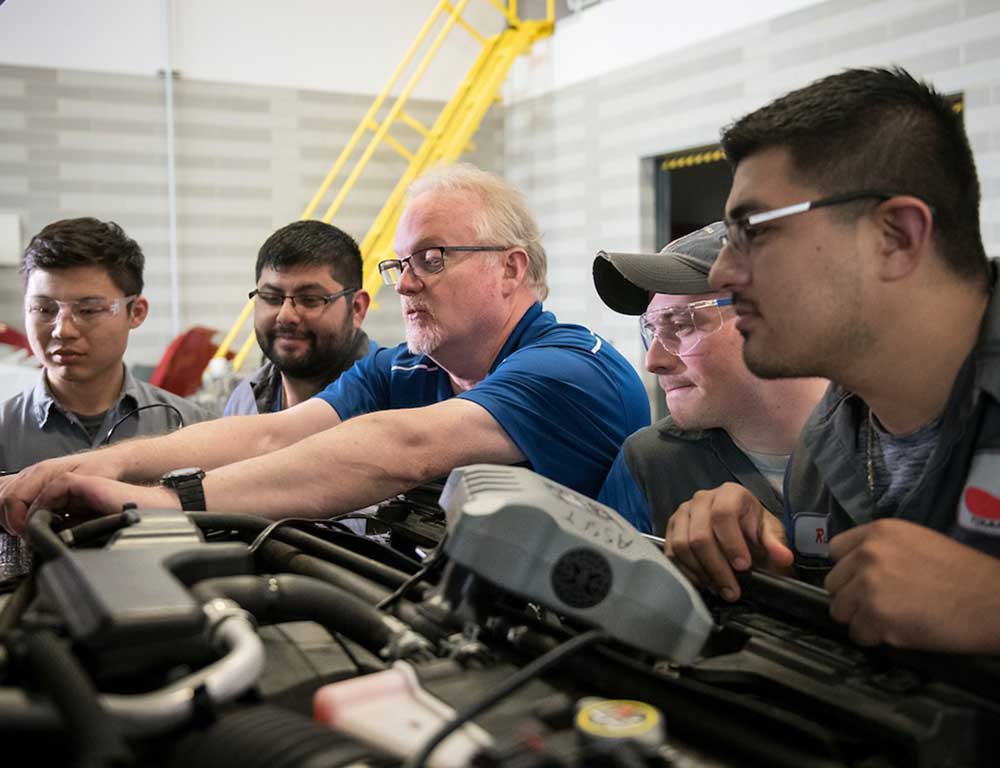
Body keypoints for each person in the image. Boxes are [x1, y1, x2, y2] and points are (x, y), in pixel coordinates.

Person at [0, 164, 649, 536]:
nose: (408, 281)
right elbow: (271, 437)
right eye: (402, 263)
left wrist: (172, 503)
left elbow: (403, 450)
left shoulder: (571, 368)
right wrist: (106, 469)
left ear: (510, 270)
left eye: (432, 258)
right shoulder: (408, 368)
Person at [665, 67, 1000, 653]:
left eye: (753, 231)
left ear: (895, 236)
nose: (720, 273)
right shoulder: (826, 444)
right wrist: (771, 574)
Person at [592, 223, 826, 536]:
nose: (654, 361)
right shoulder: (652, 464)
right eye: (652, 330)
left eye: (682, 324)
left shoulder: (893, 446)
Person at [0, 217, 214, 473]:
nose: (62, 330)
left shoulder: (191, 428)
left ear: (135, 312)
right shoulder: (4, 434)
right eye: (44, 309)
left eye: (89, 310)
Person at [224, 220, 377, 416]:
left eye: (310, 299)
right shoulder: (245, 401)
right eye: (271, 298)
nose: (286, 315)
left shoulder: (394, 400)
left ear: (357, 308)